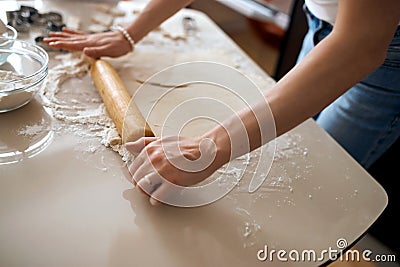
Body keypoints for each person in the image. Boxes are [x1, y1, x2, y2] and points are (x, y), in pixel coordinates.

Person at [44, 0, 400, 206]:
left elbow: (361, 44)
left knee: (319, 190)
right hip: (326, 24)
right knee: (305, 138)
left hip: (381, 54)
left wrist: (210, 146)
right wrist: (129, 33)